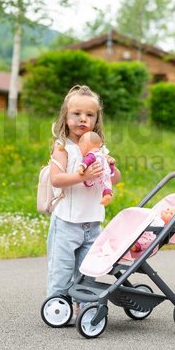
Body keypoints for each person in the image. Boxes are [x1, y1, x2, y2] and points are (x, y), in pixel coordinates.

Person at [46, 85, 121, 309]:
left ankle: (85, 305)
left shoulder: (99, 149)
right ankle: (57, 305)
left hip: (92, 222)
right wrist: (83, 176)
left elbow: (114, 179)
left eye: (89, 115)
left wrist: (112, 169)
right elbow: (56, 179)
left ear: (96, 119)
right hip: (67, 222)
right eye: (76, 114)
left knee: (88, 269)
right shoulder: (63, 148)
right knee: (62, 268)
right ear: (65, 117)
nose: (82, 119)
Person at [78, 131, 114, 206]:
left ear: (84, 146)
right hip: (106, 173)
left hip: (96, 174)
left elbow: (87, 161)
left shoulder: (91, 154)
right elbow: (107, 164)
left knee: (87, 182)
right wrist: (112, 166)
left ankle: (88, 183)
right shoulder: (103, 155)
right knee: (106, 184)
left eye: (80, 148)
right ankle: (108, 194)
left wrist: (81, 168)